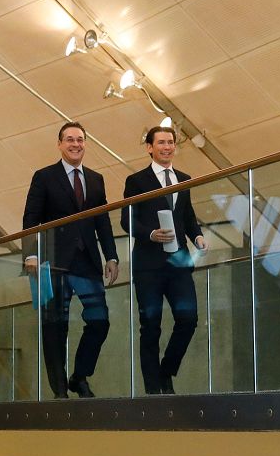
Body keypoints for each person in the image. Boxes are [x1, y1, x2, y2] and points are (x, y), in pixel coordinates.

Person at [22, 122, 118, 398]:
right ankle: (60, 391)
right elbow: (31, 218)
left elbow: (102, 221)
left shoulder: (96, 179)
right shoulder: (44, 176)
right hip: (51, 263)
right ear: (60, 144)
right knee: (54, 327)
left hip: (87, 261)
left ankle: (79, 376)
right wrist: (30, 254)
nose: (76, 144)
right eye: (70, 139)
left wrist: (111, 255)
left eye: (80, 139)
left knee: (100, 321)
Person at [121, 126, 206, 395]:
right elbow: (126, 220)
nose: (167, 147)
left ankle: (166, 371)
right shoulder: (136, 181)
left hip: (179, 262)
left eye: (170, 142)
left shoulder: (184, 179)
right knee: (150, 326)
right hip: (148, 265)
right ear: (150, 147)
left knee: (188, 319)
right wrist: (150, 234)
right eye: (161, 143)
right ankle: (153, 389)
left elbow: (187, 216)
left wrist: (198, 236)